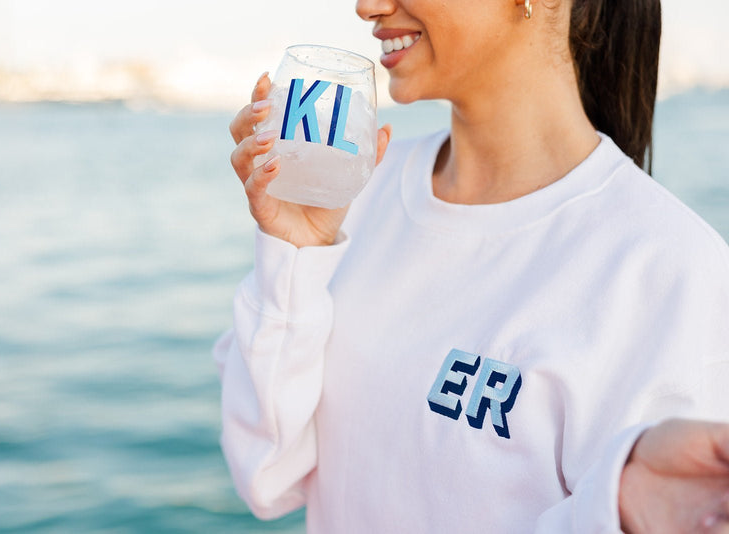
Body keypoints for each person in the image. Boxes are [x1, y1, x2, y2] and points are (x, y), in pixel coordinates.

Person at [215, 0, 729, 531]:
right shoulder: (355, 195)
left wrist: (615, 510)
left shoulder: (666, 269)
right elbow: (265, 479)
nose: (367, 6)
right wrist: (293, 257)